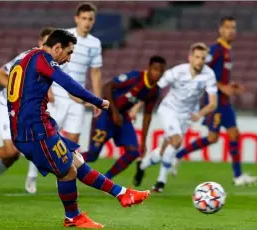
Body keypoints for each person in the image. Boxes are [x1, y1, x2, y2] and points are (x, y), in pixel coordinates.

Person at [8, 29, 150, 228]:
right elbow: (67, 82)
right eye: (69, 52)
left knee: (76, 161)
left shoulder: (26, 56)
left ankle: (123, 194)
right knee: (67, 172)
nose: (69, 58)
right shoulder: (43, 58)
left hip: (35, 127)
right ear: (57, 47)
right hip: (34, 131)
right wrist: (98, 101)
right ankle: (73, 217)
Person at [165, 16, 257, 187]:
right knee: (214, 137)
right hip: (214, 101)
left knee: (230, 134)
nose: (231, 30)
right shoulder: (215, 50)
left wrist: (231, 86)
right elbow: (202, 72)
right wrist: (222, 87)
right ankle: (178, 155)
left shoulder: (228, 51)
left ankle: (238, 176)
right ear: (220, 30)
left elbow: (219, 77)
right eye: (228, 27)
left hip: (225, 101)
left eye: (234, 27)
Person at [29, 2, 104, 192]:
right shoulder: (64, 36)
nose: (87, 22)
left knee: (71, 144)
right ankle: (31, 175)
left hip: (78, 99)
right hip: (60, 95)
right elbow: (49, 65)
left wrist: (97, 99)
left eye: (90, 19)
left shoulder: (95, 43)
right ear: (76, 18)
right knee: (44, 138)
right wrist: (48, 91)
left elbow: (95, 73)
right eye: (84, 18)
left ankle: (63, 181)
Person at [0, 27, 54, 195]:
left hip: (26, 112)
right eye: (47, 43)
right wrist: (19, 91)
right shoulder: (26, 58)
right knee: (11, 150)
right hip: (7, 105)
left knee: (14, 155)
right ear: (40, 43)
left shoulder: (52, 64)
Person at [132, 43, 218, 192]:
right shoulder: (177, 71)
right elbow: (153, 88)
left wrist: (200, 114)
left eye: (203, 58)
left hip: (187, 115)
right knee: (177, 141)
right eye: (197, 57)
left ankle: (143, 165)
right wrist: (136, 106)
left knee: (168, 149)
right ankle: (161, 181)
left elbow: (213, 103)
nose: (200, 60)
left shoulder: (209, 74)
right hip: (169, 110)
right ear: (190, 58)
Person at [81, 56, 166, 179]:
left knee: (133, 152)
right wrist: (115, 113)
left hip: (122, 117)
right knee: (93, 155)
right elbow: (107, 86)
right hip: (106, 113)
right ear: (149, 68)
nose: (157, 73)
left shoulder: (155, 91)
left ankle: (106, 179)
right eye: (155, 69)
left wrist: (143, 141)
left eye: (160, 71)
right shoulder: (135, 77)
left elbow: (147, 116)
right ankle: (67, 162)